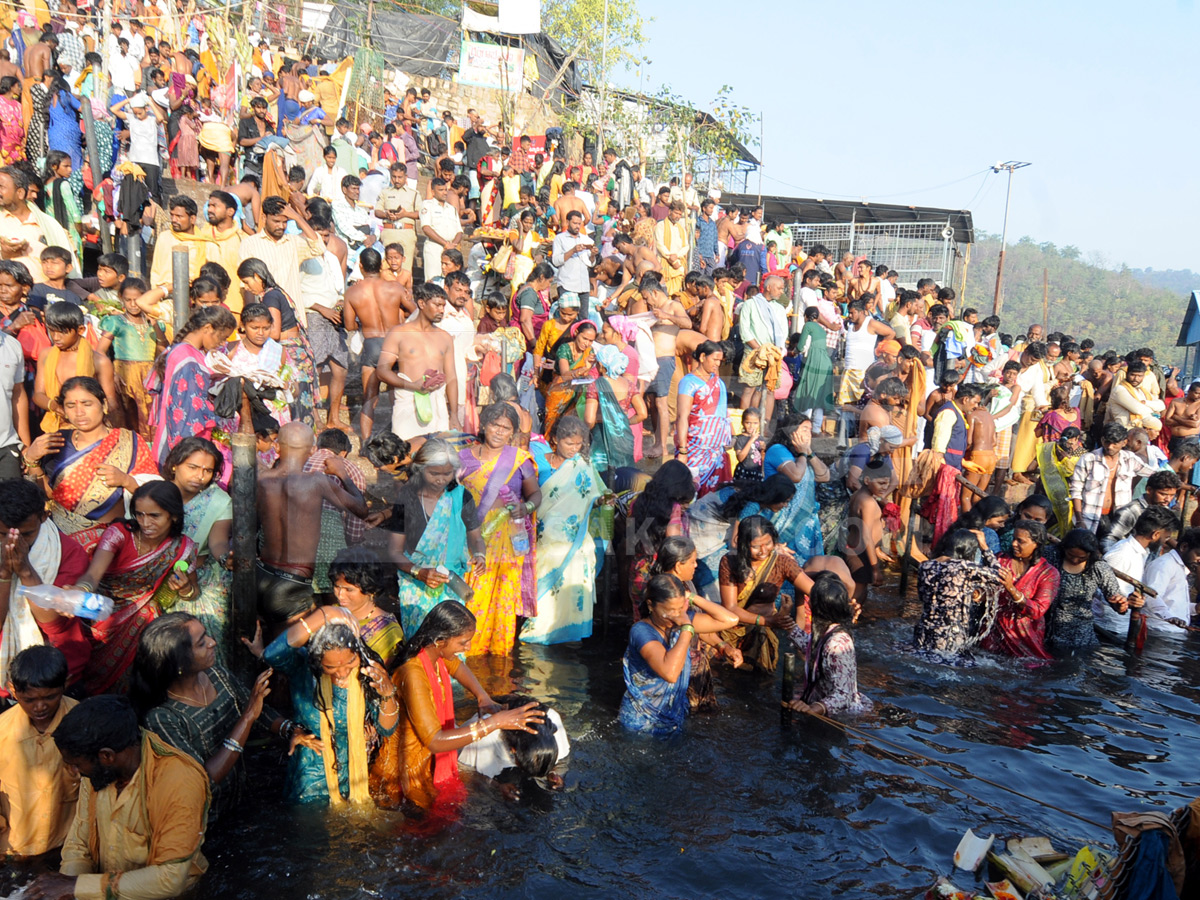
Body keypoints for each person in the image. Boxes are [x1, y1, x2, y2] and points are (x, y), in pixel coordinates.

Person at [31, 696, 209, 900]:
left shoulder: (178, 781)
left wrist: (77, 886)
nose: (73, 772)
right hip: (107, 890)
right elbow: (79, 844)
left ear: (107, 756)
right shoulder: (99, 771)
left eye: (77, 765)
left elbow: (170, 878)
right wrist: (67, 887)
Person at [387, 601, 543, 810]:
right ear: (440, 640)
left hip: (429, 764)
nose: (468, 648)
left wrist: (482, 697)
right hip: (409, 776)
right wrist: (494, 723)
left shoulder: (435, 656)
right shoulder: (413, 673)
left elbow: (458, 667)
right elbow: (434, 741)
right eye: (463, 642)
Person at [129, 613, 277, 823]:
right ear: (179, 662)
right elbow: (203, 780)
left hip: (240, 801)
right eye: (201, 643)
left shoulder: (216, 675)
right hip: (203, 824)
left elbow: (256, 707)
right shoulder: (161, 717)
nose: (212, 642)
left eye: (206, 635)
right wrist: (247, 718)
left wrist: (291, 730)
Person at [263, 606, 398, 806]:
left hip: (353, 778)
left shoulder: (367, 675)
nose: (342, 673)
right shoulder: (304, 671)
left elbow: (387, 728)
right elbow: (272, 654)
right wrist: (324, 614)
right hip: (310, 779)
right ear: (317, 662)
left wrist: (388, 695)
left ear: (358, 654)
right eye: (331, 667)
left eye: (350, 662)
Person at [256, 422, 369, 633]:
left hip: (261, 574)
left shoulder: (261, 479)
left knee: (269, 644)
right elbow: (361, 509)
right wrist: (342, 473)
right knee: (291, 651)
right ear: (312, 450)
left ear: (277, 447)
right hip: (293, 582)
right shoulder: (317, 482)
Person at [24, 375, 158, 554]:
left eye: (87, 404)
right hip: (61, 539)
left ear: (103, 405)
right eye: (71, 406)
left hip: (110, 543)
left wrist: (125, 480)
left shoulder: (128, 442)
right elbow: (45, 496)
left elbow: (156, 494)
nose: (79, 412)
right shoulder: (57, 442)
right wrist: (32, 459)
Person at [459, 404, 540, 655]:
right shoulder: (462, 459)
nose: (498, 431)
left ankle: (498, 652)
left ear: (512, 433)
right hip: (470, 535)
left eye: (505, 428)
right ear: (483, 425)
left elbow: (536, 494)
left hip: (508, 537)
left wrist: (526, 508)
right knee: (473, 592)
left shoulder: (519, 460)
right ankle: (466, 649)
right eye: (494, 425)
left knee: (503, 594)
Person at [619, 573, 739, 736]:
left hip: (674, 714)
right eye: (669, 610)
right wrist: (687, 628)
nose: (676, 615)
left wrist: (692, 597)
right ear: (651, 605)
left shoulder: (681, 618)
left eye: (680, 608)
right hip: (642, 721)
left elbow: (730, 620)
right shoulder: (641, 631)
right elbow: (670, 673)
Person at [524, 416, 605, 645]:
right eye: (569, 444)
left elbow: (593, 496)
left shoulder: (584, 465)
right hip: (544, 534)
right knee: (546, 576)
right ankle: (539, 630)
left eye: (578, 444)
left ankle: (571, 631)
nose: (574, 449)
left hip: (575, 535)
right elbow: (529, 495)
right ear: (555, 440)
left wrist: (602, 501)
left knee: (579, 566)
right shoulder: (537, 463)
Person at [0, 646, 78, 859]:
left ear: (66, 684)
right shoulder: (2, 732)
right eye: (29, 700)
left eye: (50, 697)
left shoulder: (83, 725)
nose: (40, 707)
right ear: (13, 691)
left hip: (68, 848)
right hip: (14, 849)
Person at [160, 437, 233, 661]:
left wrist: (225, 559)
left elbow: (218, 543)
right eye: (192, 467)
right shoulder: (154, 493)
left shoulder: (219, 500)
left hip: (200, 576)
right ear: (175, 464)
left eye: (207, 470)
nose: (200, 476)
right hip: (154, 573)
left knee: (204, 639)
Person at [717, 516, 814, 672]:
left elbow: (813, 589)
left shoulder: (782, 562)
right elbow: (731, 607)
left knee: (761, 678)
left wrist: (841, 601)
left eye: (768, 544)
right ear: (743, 544)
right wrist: (766, 621)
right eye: (755, 546)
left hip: (763, 633)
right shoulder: (729, 562)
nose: (763, 551)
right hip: (733, 629)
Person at [148, 306, 238, 470]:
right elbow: (187, 411)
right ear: (208, 328)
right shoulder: (188, 358)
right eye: (222, 337)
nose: (222, 343)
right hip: (186, 442)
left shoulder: (186, 352)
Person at [376, 282, 458, 440]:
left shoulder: (445, 337)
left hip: (437, 404)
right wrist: (412, 386)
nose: (442, 310)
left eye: (443, 306)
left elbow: (452, 378)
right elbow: (382, 371)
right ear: (421, 303)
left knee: (435, 457)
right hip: (407, 402)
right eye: (437, 305)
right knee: (405, 454)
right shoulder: (399, 333)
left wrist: (453, 414)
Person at [783, 572, 870, 717]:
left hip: (839, 716)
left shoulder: (837, 644)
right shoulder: (827, 631)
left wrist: (814, 709)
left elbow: (843, 695)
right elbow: (810, 648)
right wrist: (786, 619)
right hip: (821, 703)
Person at [913, 529, 1005, 665]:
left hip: (923, 631)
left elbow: (922, 596)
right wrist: (984, 547)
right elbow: (1000, 575)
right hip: (950, 635)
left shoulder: (925, 565)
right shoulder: (963, 567)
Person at [34, 301, 120, 433]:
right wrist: (58, 408)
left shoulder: (99, 361)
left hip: (90, 429)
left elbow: (111, 402)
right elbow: (38, 395)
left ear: (80, 330)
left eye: (63, 332)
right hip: (55, 426)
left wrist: (84, 412)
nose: (56, 337)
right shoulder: (46, 355)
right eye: (52, 331)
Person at [983, 519, 1060, 659]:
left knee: (1031, 667)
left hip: (1024, 635)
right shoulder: (1000, 561)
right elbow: (985, 592)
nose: (1013, 544)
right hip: (992, 630)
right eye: (1014, 539)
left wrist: (1011, 589)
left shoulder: (1048, 573)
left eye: (1020, 541)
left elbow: (1037, 610)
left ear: (1036, 544)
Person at [1095, 506, 1175, 641]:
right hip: (1108, 628)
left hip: (1121, 626)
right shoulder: (1123, 553)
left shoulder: (1141, 553)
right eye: (1165, 538)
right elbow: (1098, 590)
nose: (1165, 544)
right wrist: (1125, 601)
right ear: (1155, 535)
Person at [626, 460, 696, 613]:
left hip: (638, 568)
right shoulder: (674, 508)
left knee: (640, 618)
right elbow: (673, 544)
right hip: (662, 575)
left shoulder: (637, 502)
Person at [1070, 423, 1160, 533]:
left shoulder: (1130, 459)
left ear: (1124, 442)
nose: (1110, 447)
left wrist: (1181, 485)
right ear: (1102, 440)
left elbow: (1153, 473)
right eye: (1107, 442)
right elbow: (1076, 491)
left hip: (1119, 517)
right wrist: (1079, 520)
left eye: (1115, 444)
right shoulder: (1088, 459)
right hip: (1089, 517)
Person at [764, 414, 830, 561]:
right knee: (785, 561)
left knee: (808, 567)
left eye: (810, 430)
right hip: (782, 517)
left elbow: (825, 476)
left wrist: (809, 453)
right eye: (804, 429)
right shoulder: (777, 450)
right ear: (791, 431)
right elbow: (796, 475)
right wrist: (802, 453)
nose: (809, 434)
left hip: (805, 520)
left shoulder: (804, 456)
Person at [327, 547, 405, 669]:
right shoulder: (333, 612)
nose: (340, 595)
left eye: (349, 590)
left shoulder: (387, 631)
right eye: (337, 587)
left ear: (370, 590)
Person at [1051, 529, 1124, 652]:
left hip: (1080, 635)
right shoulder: (1051, 555)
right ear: (1064, 549)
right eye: (1071, 555)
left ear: (1090, 554)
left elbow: (1115, 598)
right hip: (1048, 628)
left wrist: (1120, 604)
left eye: (1081, 558)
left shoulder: (1099, 567)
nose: (1075, 561)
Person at [674, 340, 731, 495]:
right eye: (714, 359)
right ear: (702, 357)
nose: (718, 364)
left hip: (716, 451)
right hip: (694, 447)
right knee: (690, 490)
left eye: (720, 361)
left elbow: (723, 415)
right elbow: (682, 417)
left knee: (715, 495)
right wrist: (683, 450)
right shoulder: (689, 382)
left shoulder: (719, 383)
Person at [584, 340, 642, 473]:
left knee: (602, 477)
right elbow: (642, 413)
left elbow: (589, 420)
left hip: (602, 435)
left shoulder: (595, 385)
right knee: (623, 475)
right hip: (624, 437)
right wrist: (622, 422)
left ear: (600, 364)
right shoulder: (629, 384)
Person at [841, 458, 894, 602]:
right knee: (857, 595)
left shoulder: (858, 495)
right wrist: (875, 568)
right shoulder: (868, 502)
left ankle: (853, 621)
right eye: (881, 483)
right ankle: (850, 622)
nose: (885, 487)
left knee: (857, 591)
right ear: (867, 480)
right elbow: (866, 536)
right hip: (860, 554)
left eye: (887, 483)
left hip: (854, 549)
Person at [1101, 469, 1182, 551]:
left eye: (1172, 495)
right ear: (1149, 490)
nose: (1168, 499)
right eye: (1163, 494)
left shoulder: (1164, 509)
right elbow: (1109, 540)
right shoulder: (1132, 511)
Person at [1142, 526, 1200, 636]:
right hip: (1159, 631)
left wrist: (1194, 608)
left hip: (1172, 633)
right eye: (1198, 556)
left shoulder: (1180, 567)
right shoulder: (1164, 564)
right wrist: (1169, 617)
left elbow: (1172, 602)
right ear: (1184, 547)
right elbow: (1151, 596)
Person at [543, 320, 597, 436]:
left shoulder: (589, 351)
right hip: (559, 392)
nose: (587, 343)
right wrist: (583, 369)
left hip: (576, 395)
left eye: (591, 341)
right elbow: (565, 374)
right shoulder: (564, 349)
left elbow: (589, 374)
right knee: (551, 427)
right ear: (576, 333)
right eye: (584, 338)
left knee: (569, 429)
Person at [792, 306, 835, 428]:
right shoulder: (822, 329)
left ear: (806, 317)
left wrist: (793, 352)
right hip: (826, 362)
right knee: (819, 395)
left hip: (814, 360)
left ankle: (804, 425)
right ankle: (816, 428)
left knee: (808, 391)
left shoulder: (808, 325)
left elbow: (800, 347)